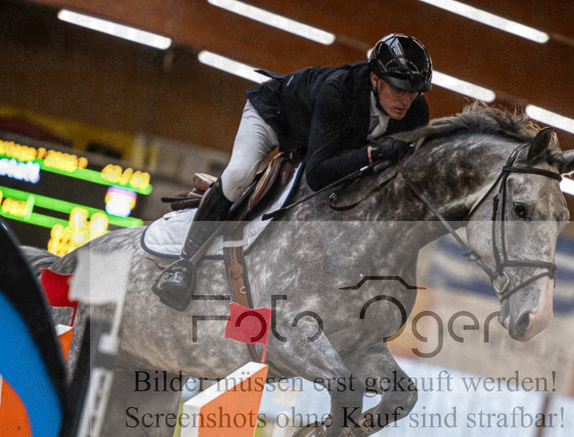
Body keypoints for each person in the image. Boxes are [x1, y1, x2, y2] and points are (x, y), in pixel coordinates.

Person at [154, 33, 433, 310]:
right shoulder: (337, 91)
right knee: (239, 174)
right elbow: (317, 174)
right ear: (375, 79)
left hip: (315, 138)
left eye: (413, 92)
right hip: (272, 117)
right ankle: (183, 264)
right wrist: (371, 153)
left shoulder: (416, 111)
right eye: (398, 90)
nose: (406, 100)